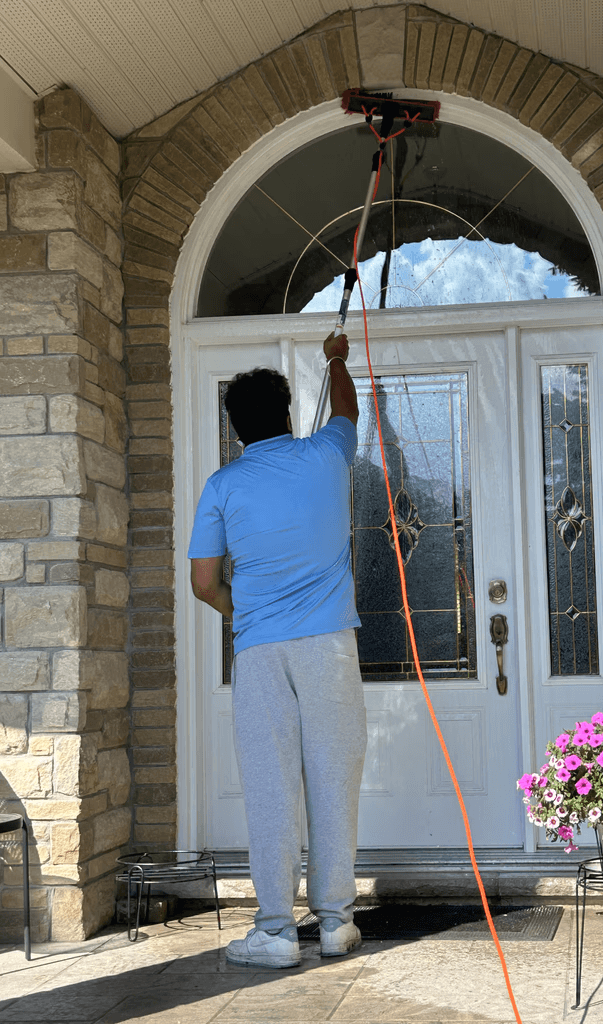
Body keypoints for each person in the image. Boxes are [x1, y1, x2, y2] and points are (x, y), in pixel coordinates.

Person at [187, 331, 367, 968]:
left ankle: (274, 932)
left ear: (237, 430)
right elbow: (347, 409)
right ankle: (337, 923)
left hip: (260, 651)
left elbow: (204, 581)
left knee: (270, 788)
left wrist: (247, 616)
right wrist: (337, 359)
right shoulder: (326, 453)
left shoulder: (223, 485)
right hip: (330, 649)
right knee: (333, 781)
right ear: (288, 414)